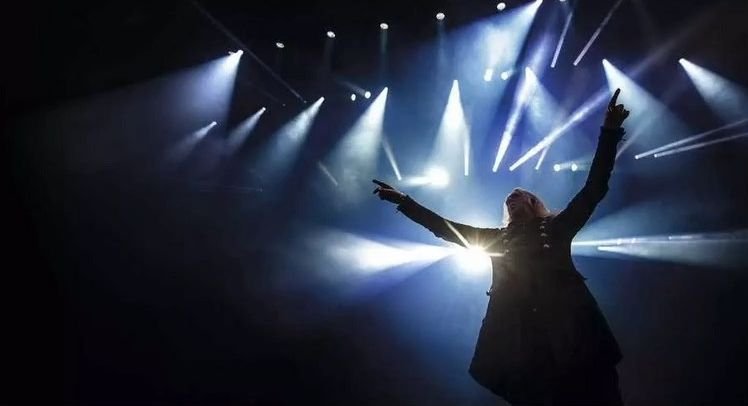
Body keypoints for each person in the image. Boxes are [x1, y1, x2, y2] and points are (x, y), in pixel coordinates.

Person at [372, 89, 630, 405]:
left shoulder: (557, 227)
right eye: (508, 199)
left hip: (574, 332)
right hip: (525, 344)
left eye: (518, 195)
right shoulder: (496, 238)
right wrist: (404, 202)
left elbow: (594, 188)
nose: (511, 198)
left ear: (534, 202)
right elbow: (445, 228)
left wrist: (609, 132)